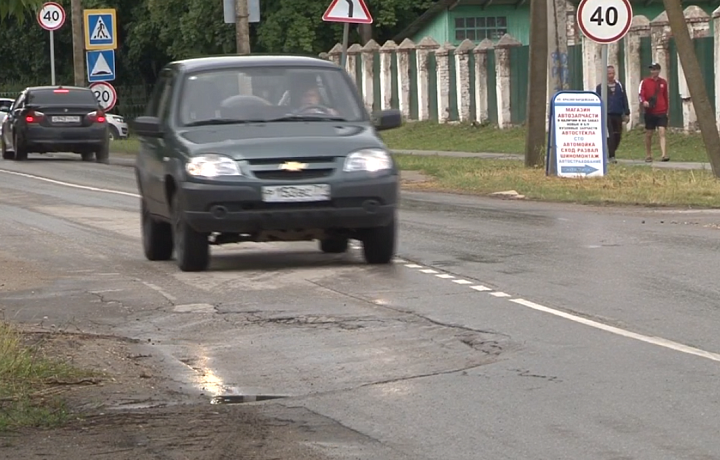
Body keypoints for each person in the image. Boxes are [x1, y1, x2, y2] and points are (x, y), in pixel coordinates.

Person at [595, 65, 630, 164]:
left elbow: (624, 99)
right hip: (607, 114)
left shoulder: (620, 86)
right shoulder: (600, 87)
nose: (611, 75)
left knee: (618, 134)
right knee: (610, 134)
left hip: (618, 113)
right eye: (609, 73)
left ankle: (612, 150)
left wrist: (627, 113)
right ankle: (611, 156)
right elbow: (598, 101)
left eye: (612, 73)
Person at [638, 62, 670, 162]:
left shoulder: (663, 82)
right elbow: (641, 94)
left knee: (662, 132)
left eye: (655, 69)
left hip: (661, 111)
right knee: (649, 133)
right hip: (650, 111)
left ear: (659, 70)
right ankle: (648, 154)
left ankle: (664, 154)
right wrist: (644, 102)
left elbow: (665, 96)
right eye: (652, 69)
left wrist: (667, 109)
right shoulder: (645, 82)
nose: (654, 71)